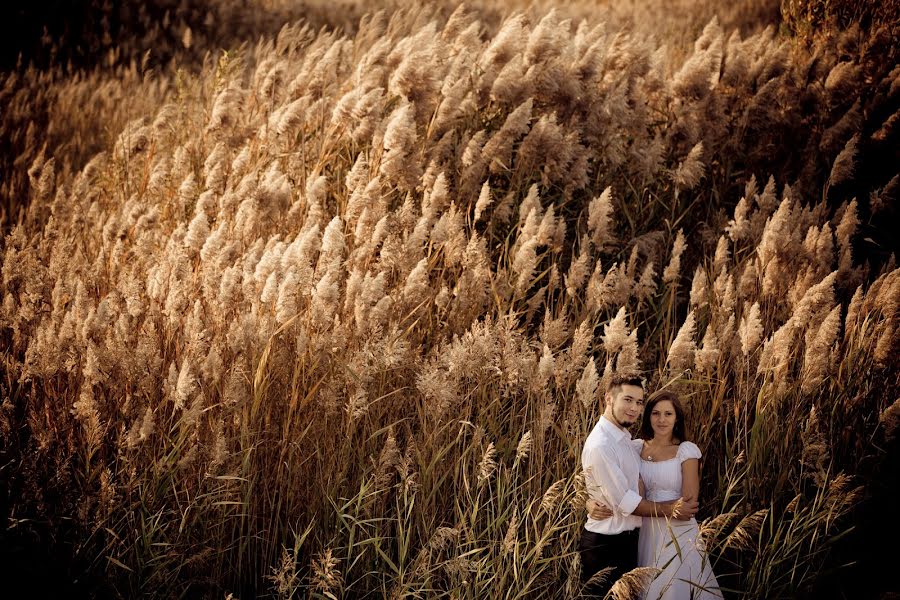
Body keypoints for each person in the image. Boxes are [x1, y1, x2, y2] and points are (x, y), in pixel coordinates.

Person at [587, 390, 722, 599]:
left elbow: (688, 504)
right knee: (647, 586)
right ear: (648, 415)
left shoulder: (686, 451)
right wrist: (590, 501)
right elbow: (605, 478)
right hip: (644, 530)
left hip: (677, 532)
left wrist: (643, 502)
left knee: (676, 587)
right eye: (655, 413)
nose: (661, 420)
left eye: (668, 414)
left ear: (677, 418)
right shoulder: (635, 447)